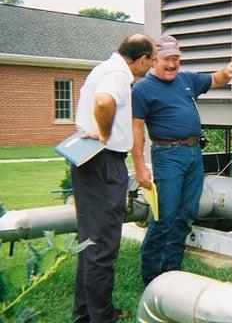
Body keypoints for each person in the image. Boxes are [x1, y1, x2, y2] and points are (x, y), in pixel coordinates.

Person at [131, 35, 232, 286]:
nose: (172, 65)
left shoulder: (186, 79)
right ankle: (151, 279)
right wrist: (139, 166)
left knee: (186, 214)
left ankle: (172, 274)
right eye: (167, 59)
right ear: (155, 59)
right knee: (165, 218)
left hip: (193, 155)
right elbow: (136, 129)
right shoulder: (142, 89)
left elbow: (216, 79)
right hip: (168, 156)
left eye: (176, 59)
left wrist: (228, 70)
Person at [72, 34, 156, 323]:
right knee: (103, 246)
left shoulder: (104, 67)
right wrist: (106, 134)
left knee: (90, 242)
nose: (152, 66)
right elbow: (104, 101)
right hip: (103, 162)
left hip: (89, 161)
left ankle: (86, 313)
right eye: (152, 60)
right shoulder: (119, 74)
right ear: (142, 59)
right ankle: (102, 318)